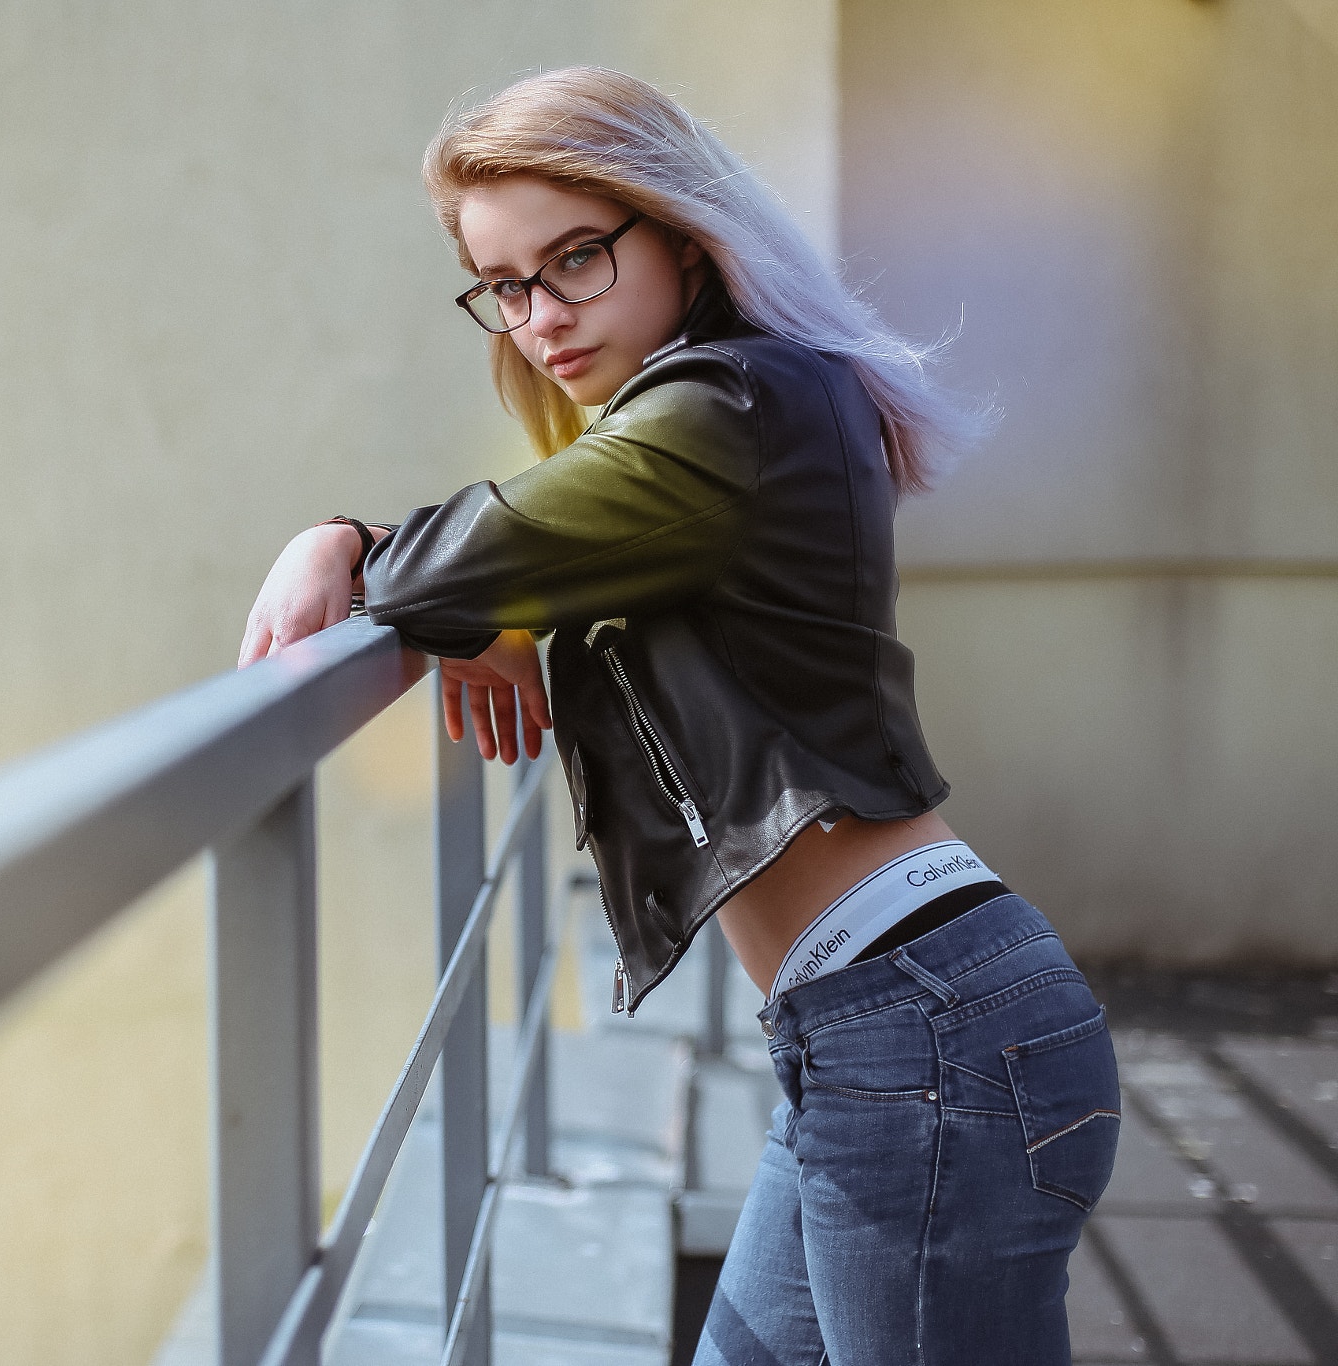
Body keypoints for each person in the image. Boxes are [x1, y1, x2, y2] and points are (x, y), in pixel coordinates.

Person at [238, 67, 1120, 1366]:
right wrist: (498, 621)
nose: (540, 316)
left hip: (923, 1034)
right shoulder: (733, 412)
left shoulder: (730, 408)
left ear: (678, 224)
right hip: (873, 1034)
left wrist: (352, 544)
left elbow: (481, 544)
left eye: (576, 258)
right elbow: (555, 574)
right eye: (506, 285)